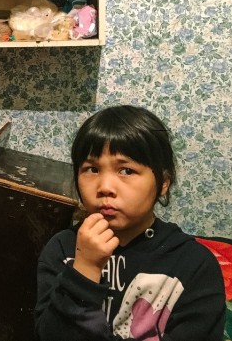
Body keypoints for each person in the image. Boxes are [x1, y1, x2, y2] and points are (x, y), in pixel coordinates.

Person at [34, 105, 225, 340]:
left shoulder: (194, 265)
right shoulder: (62, 250)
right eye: (91, 169)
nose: (105, 187)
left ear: (163, 183)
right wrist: (84, 270)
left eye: (126, 171)